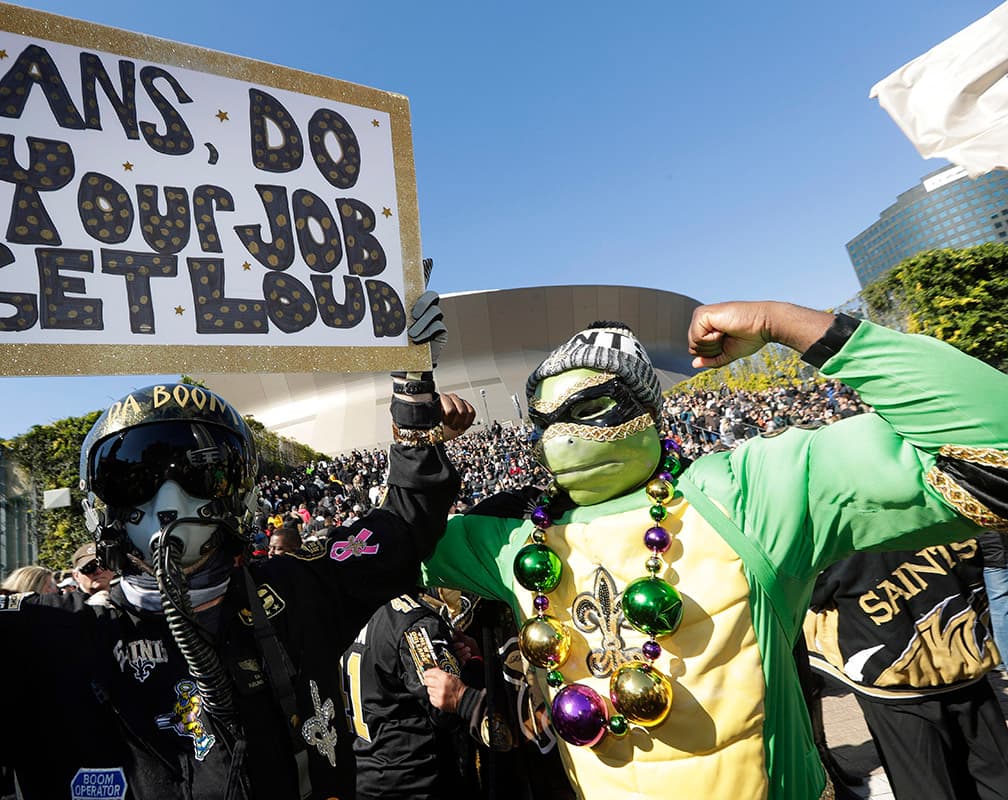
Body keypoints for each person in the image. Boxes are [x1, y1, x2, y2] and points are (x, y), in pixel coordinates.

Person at [0, 261, 473, 799]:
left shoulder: (294, 592)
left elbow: (403, 525)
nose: (171, 496)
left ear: (237, 489)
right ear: (103, 502)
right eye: (137, 474)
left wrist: (412, 385)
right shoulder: (42, 636)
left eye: (201, 471)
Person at [424, 304, 1008, 800]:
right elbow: (377, 556)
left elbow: (993, 443)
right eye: (543, 419)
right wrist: (418, 448)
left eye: (586, 410)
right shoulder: (508, 538)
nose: (561, 434)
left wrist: (790, 324)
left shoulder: (749, 493)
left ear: (646, 409)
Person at [804, 538, 1008, 800]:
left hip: (895, 681)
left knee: (926, 788)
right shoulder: (939, 508)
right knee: (995, 774)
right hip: (962, 664)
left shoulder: (843, 528)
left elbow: (812, 590)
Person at [342, 590, 484, 800]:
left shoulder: (345, 613)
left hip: (365, 778)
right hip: (416, 781)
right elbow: (446, 708)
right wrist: (474, 665)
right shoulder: (415, 621)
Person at [978, 529, 1008, 669]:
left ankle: (1000, 658)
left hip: (984, 557)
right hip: (997, 558)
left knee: (994, 607)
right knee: (1000, 608)